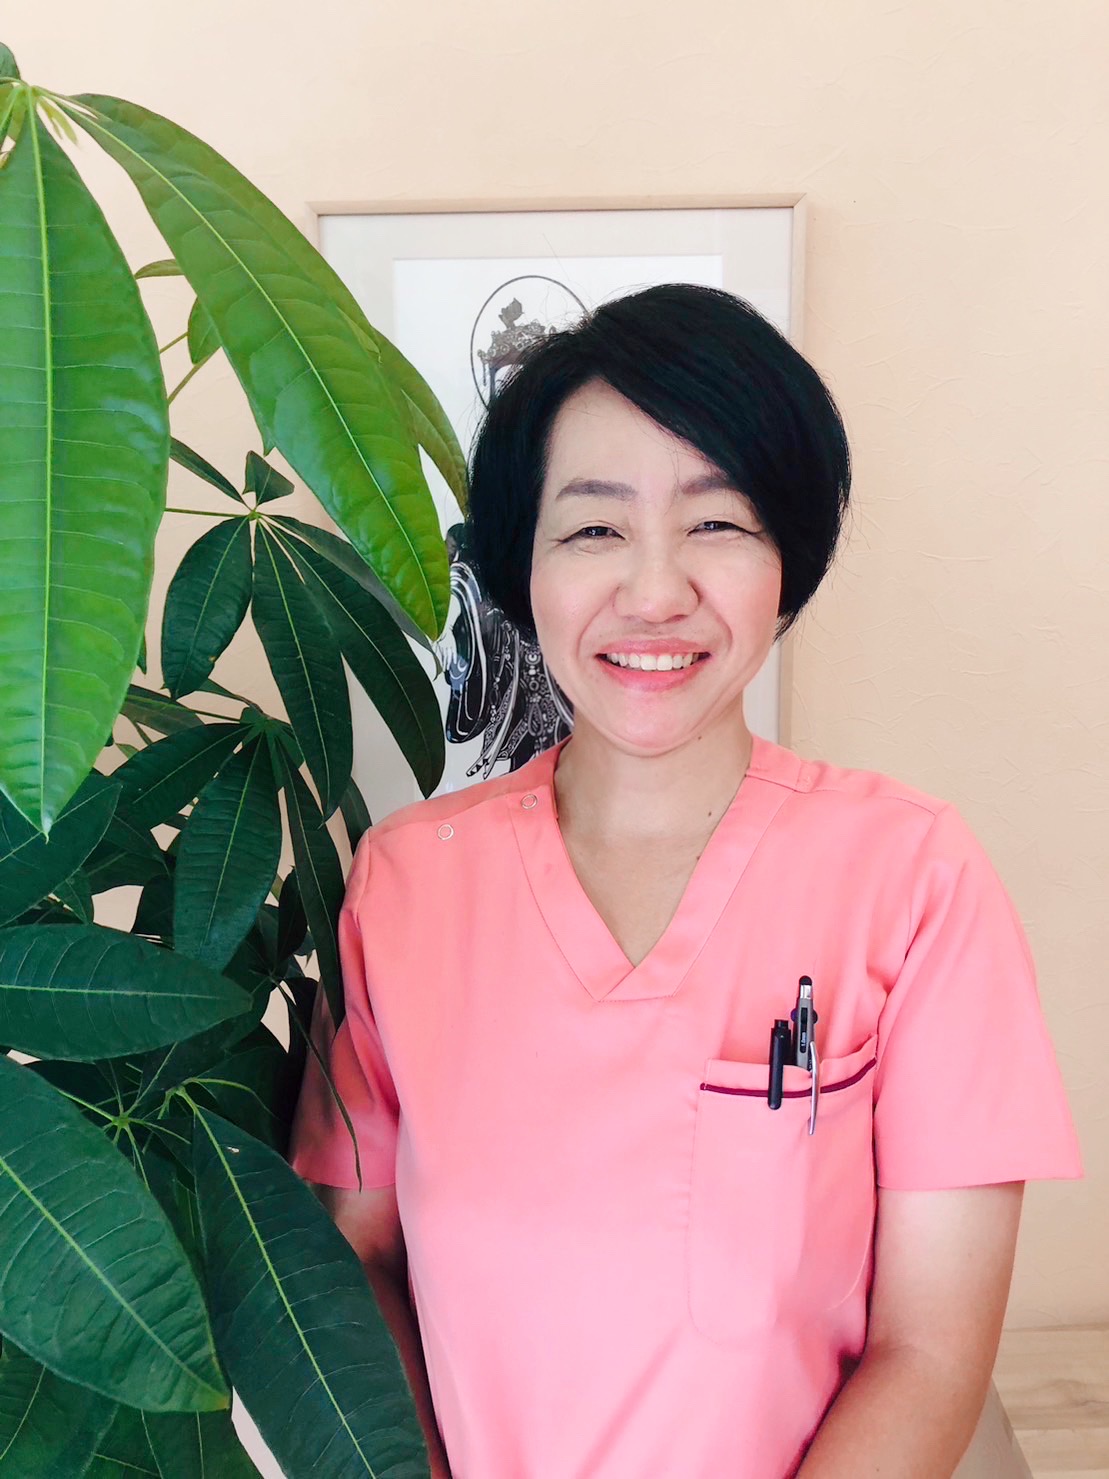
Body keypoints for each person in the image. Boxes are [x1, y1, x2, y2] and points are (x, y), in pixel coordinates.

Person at [289, 284, 1083, 1479]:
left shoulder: (911, 878)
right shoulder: (402, 887)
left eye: (715, 523)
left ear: (786, 557)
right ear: (520, 566)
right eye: (592, 530)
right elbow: (352, 1263)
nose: (654, 592)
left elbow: (928, 1351)